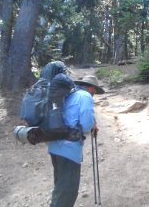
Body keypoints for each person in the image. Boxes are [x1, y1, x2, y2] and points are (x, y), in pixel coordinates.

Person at [48, 74, 105, 207]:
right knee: (68, 191)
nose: (94, 94)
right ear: (91, 88)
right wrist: (92, 124)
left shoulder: (70, 94)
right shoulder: (85, 96)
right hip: (69, 149)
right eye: (94, 91)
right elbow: (86, 124)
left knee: (60, 186)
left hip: (55, 145)